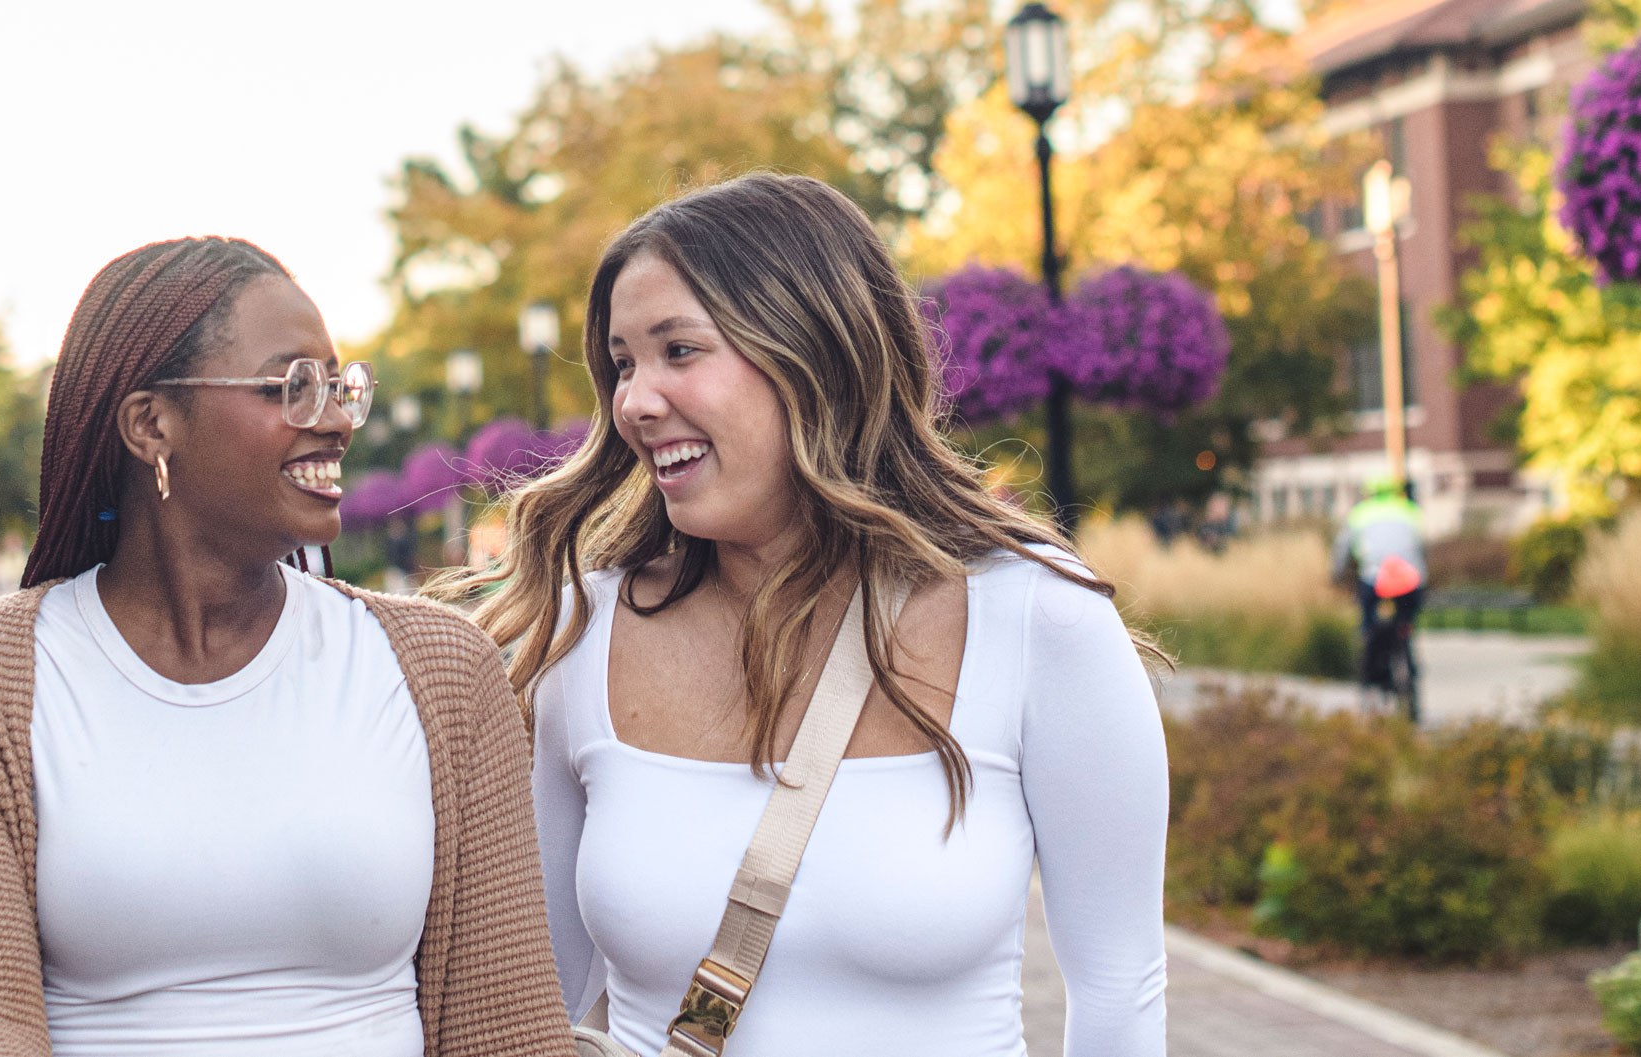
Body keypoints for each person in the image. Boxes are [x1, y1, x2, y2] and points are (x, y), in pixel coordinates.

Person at [442, 174, 1169, 1055]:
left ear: (812, 351)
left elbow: (1120, 994)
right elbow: (534, 1001)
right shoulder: (580, 637)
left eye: (679, 350)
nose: (632, 400)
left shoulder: (1035, 618)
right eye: (624, 362)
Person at [0, 237, 572, 1056]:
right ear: (151, 424)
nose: (341, 419)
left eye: (342, 385)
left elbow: (512, 1029)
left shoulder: (441, 670)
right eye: (295, 385)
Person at [1333, 476, 1428, 692]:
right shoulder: (1410, 510)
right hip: (1410, 578)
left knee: (1368, 616)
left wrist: (1337, 574)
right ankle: (1406, 637)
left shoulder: (1361, 513)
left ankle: (1369, 652)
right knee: (1406, 617)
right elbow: (1422, 544)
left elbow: (1342, 548)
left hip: (1375, 577)